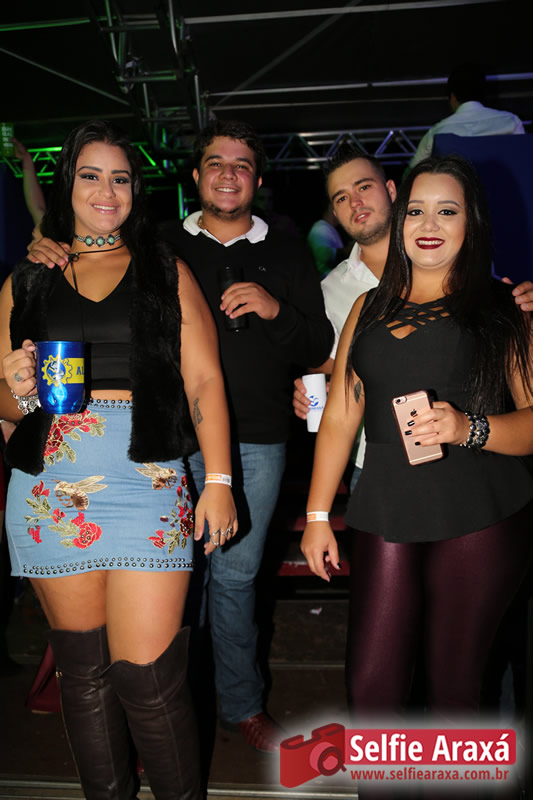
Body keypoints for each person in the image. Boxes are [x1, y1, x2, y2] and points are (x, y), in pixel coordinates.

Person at [26, 119, 334, 754]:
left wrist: (274, 308)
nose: (228, 174)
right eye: (215, 162)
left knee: (236, 580)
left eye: (242, 164)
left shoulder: (286, 248)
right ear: (195, 175)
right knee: (169, 582)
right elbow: (93, 255)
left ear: (257, 178)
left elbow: (316, 344)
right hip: (165, 439)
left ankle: (239, 706)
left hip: (257, 439)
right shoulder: (160, 241)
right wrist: (47, 245)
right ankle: (170, 707)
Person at [0, 120, 237, 800]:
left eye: (121, 178)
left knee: (151, 680)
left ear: (136, 190)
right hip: (51, 484)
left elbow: (203, 381)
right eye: (90, 175)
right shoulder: (26, 281)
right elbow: (8, 406)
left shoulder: (165, 270)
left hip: (149, 479)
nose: (106, 191)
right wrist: (15, 384)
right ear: (67, 186)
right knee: (83, 675)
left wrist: (218, 480)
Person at [301, 155, 533, 736]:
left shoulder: (503, 308)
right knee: (371, 691)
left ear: (471, 223)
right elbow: (341, 414)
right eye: (416, 211)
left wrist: (467, 427)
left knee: (454, 694)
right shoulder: (368, 306)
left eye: (447, 211)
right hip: (387, 504)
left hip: (479, 509)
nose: (429, 225)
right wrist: (318, 516)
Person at [294, 144, 533, 487]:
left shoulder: (451, 254)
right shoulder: (329, 291)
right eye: (341, 198)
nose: (355, 202)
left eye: (363, 187)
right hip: (375, 463)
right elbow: (330, 374)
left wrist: (521, 305)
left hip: (471, 464)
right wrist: (311, 394)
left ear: (392, 191)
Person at [409, 63, 525, 169]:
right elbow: (525, 160)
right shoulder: (511, 122)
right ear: (483, 93)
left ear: (452, 97)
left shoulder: (436, 133)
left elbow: (413, 171)